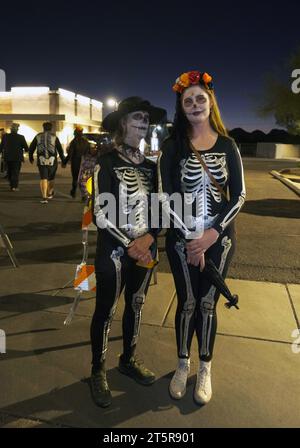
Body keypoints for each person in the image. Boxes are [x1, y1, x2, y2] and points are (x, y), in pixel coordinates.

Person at [158, 70, 246, 405]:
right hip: (182, 240)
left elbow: (238, 196)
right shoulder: (172, 146)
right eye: (187, 100)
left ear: (210, 103)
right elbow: (165, 196)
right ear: (181, 107)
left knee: (207, 305)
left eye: (200, 98)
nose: (194, 104)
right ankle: (183, 363)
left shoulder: (228, 145)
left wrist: (211, 234)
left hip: (219, 240)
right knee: (187, 303)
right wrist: (191, 237)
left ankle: (205, 367)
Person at [90, 96, 166, 407]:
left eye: (147, 118)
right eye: (138, 116)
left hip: (145, 250)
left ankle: (128, 359)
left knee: (137, 304)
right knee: (106, 310)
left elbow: (163, 208)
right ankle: (97, 370)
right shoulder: (105, 162)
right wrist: (129, 244)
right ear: (123, 123)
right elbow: (100, 213)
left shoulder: (152, 166)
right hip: (114, 252)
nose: (145, 122)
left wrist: (148, 239)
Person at [29, 122, 66, 203]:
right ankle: (49, 193)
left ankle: (44, 197)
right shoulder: (54, 137)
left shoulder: (38, 136)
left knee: (43, 178)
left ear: (43, 128)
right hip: (52, 161)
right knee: (51, 178)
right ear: (51, 128)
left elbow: (32, 147)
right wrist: (64, 161)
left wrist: (30, 157)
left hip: (41, 160)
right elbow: (60, 150)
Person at [64, 125, 91, 198]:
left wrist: (65, 162)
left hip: (75, 162)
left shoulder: (73, 142)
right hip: (85, 162)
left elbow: (70, 154)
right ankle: (84, 194)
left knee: (75, 178)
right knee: (84, 178)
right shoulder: (86, 142)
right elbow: (89, 152)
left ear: (75, 133)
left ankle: (73, 191)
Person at [0, 123, 28, 191]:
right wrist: (27, 150)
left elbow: (1, 147)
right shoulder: (21, 137)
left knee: (9, 171)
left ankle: (12, 184)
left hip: (7, 157)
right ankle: (14, 186)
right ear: (17, 130)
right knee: (15, 172)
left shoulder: (5, 137)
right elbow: (26, 147)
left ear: (10, 129)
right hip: (17, 158)